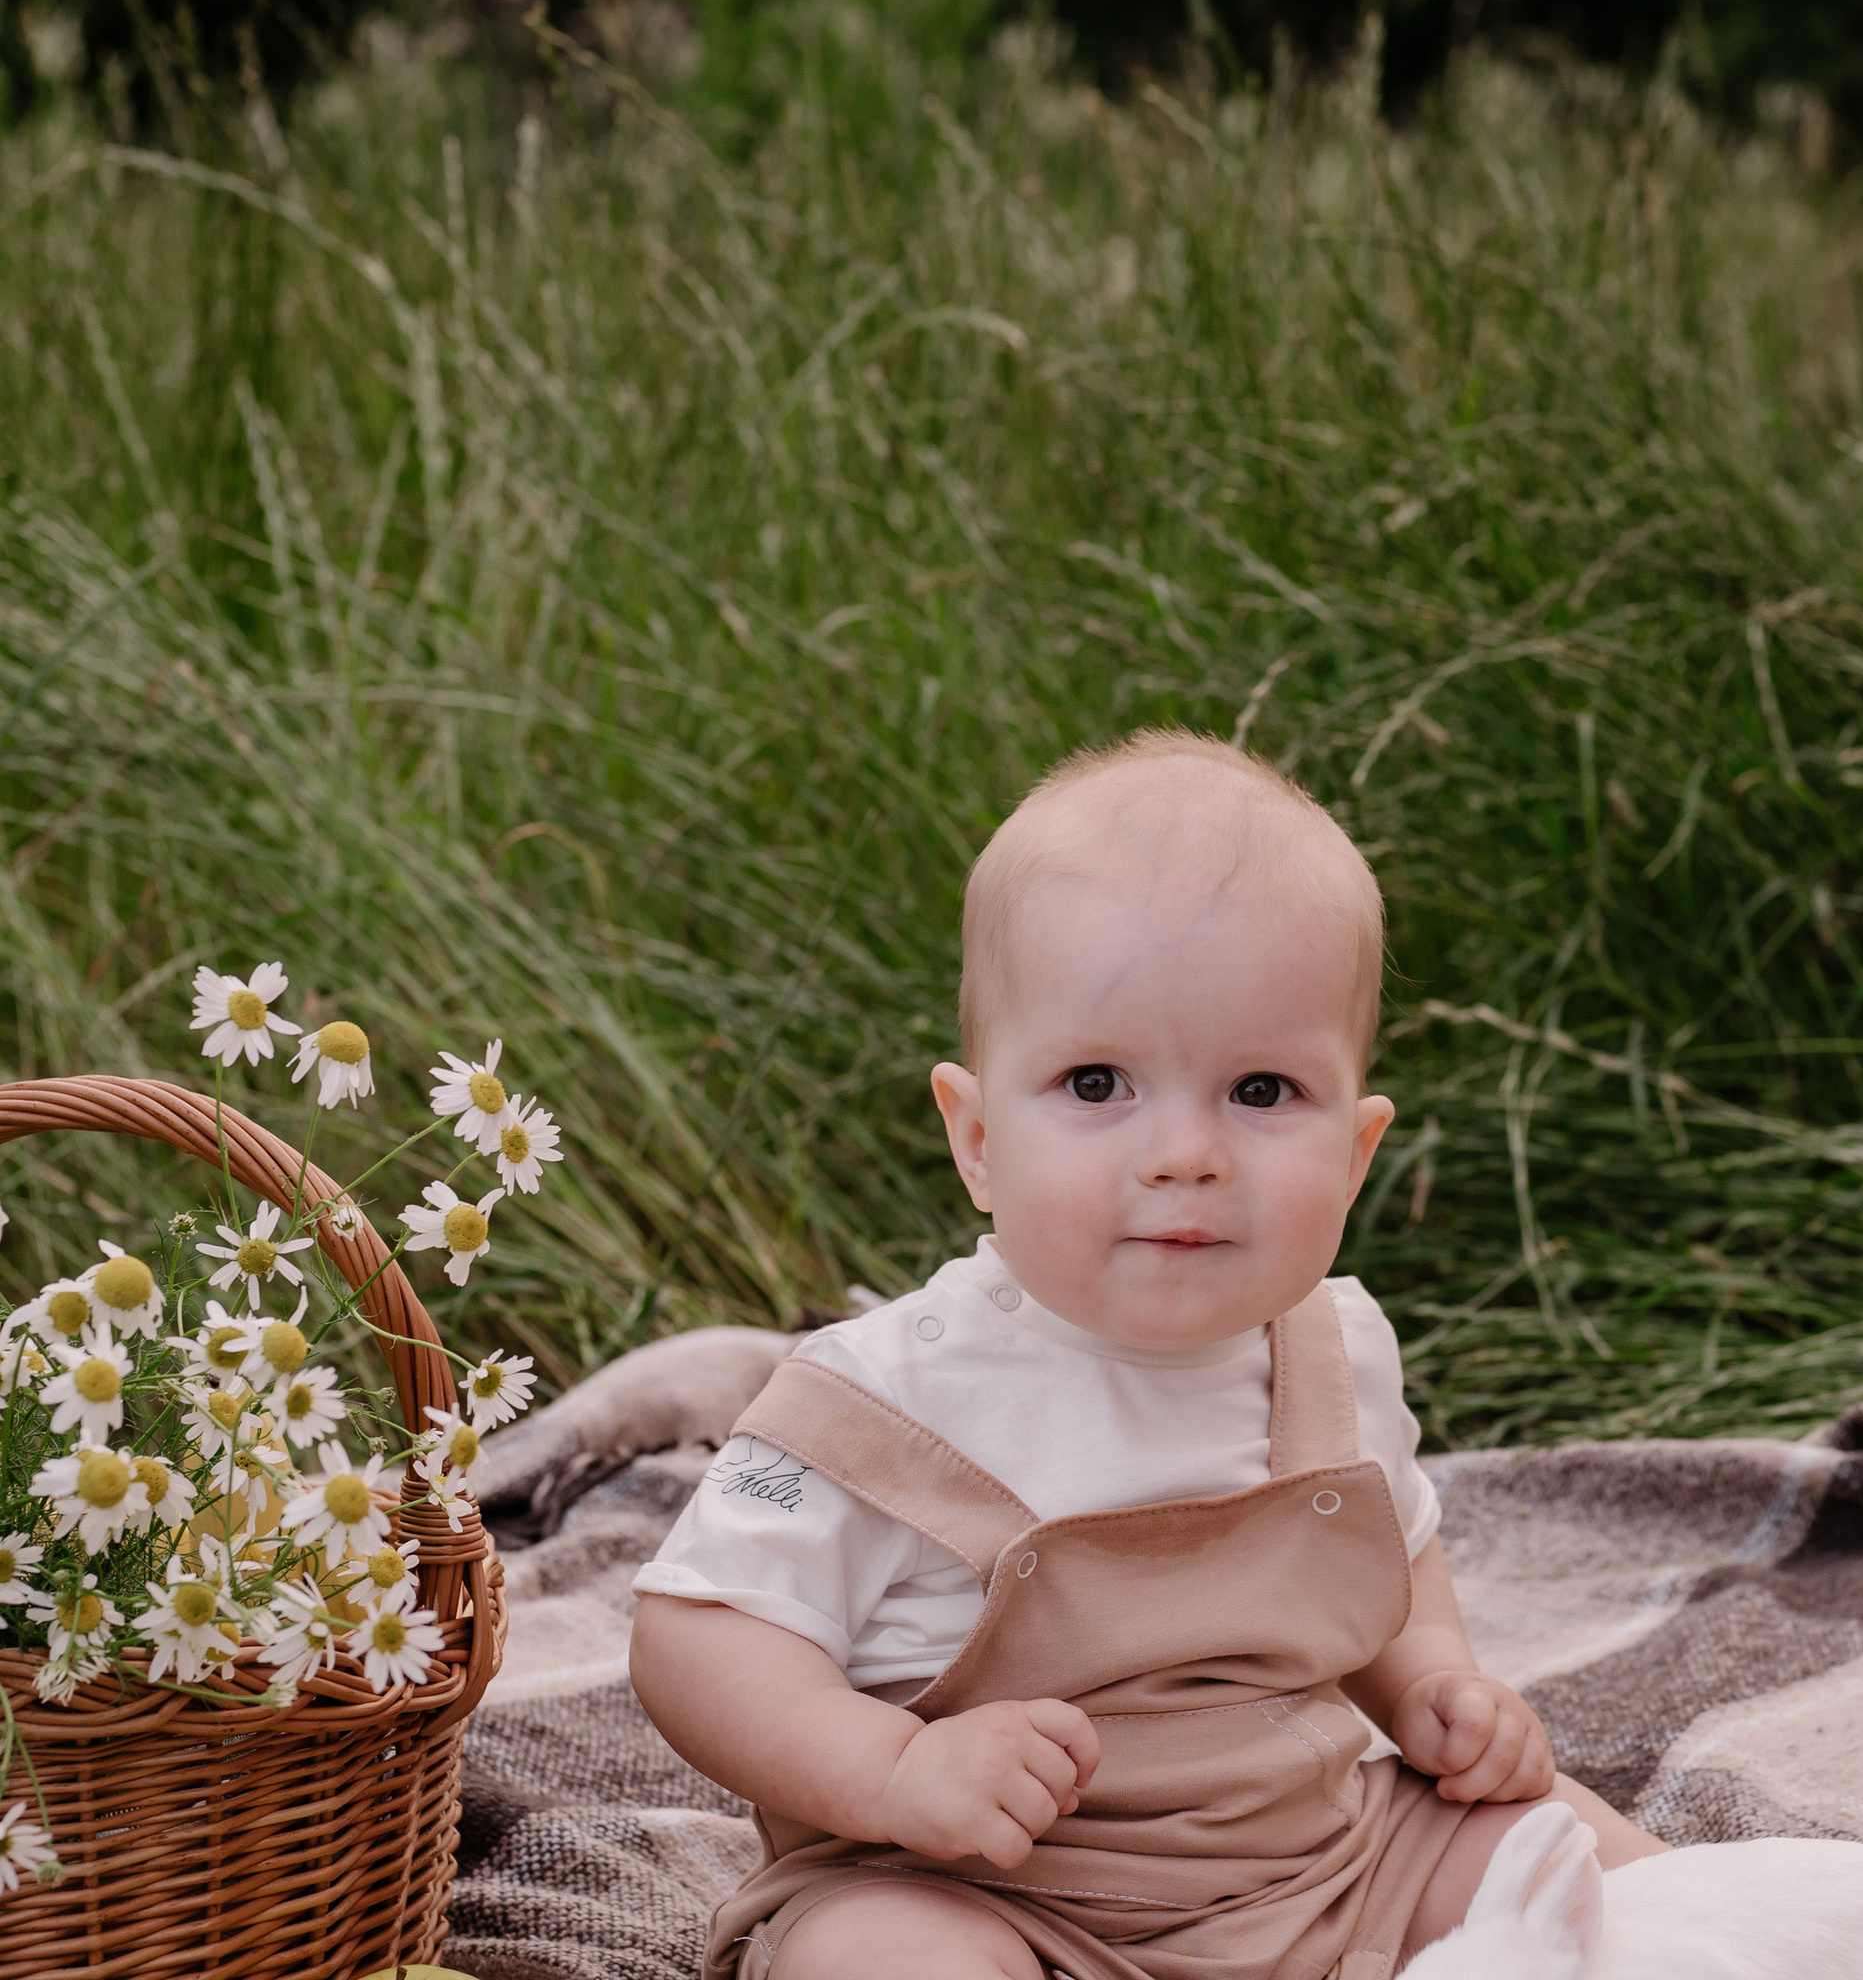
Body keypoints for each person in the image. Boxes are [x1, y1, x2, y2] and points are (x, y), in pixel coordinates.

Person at [629, 729, 1668, 1979]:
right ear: (974, 1135)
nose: (1185, 1151)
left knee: (1576, 1858)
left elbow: (1395, 1551)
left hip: (1330, 1865)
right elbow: (698, 1640)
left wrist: (1434, 1687)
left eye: (1263, 1092)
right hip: (988, 1891)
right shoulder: (877, 1399)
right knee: (877, 1955)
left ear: (1356, 1153)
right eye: (1097, 1080)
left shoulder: (1335, 1354)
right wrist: (890, 1769)